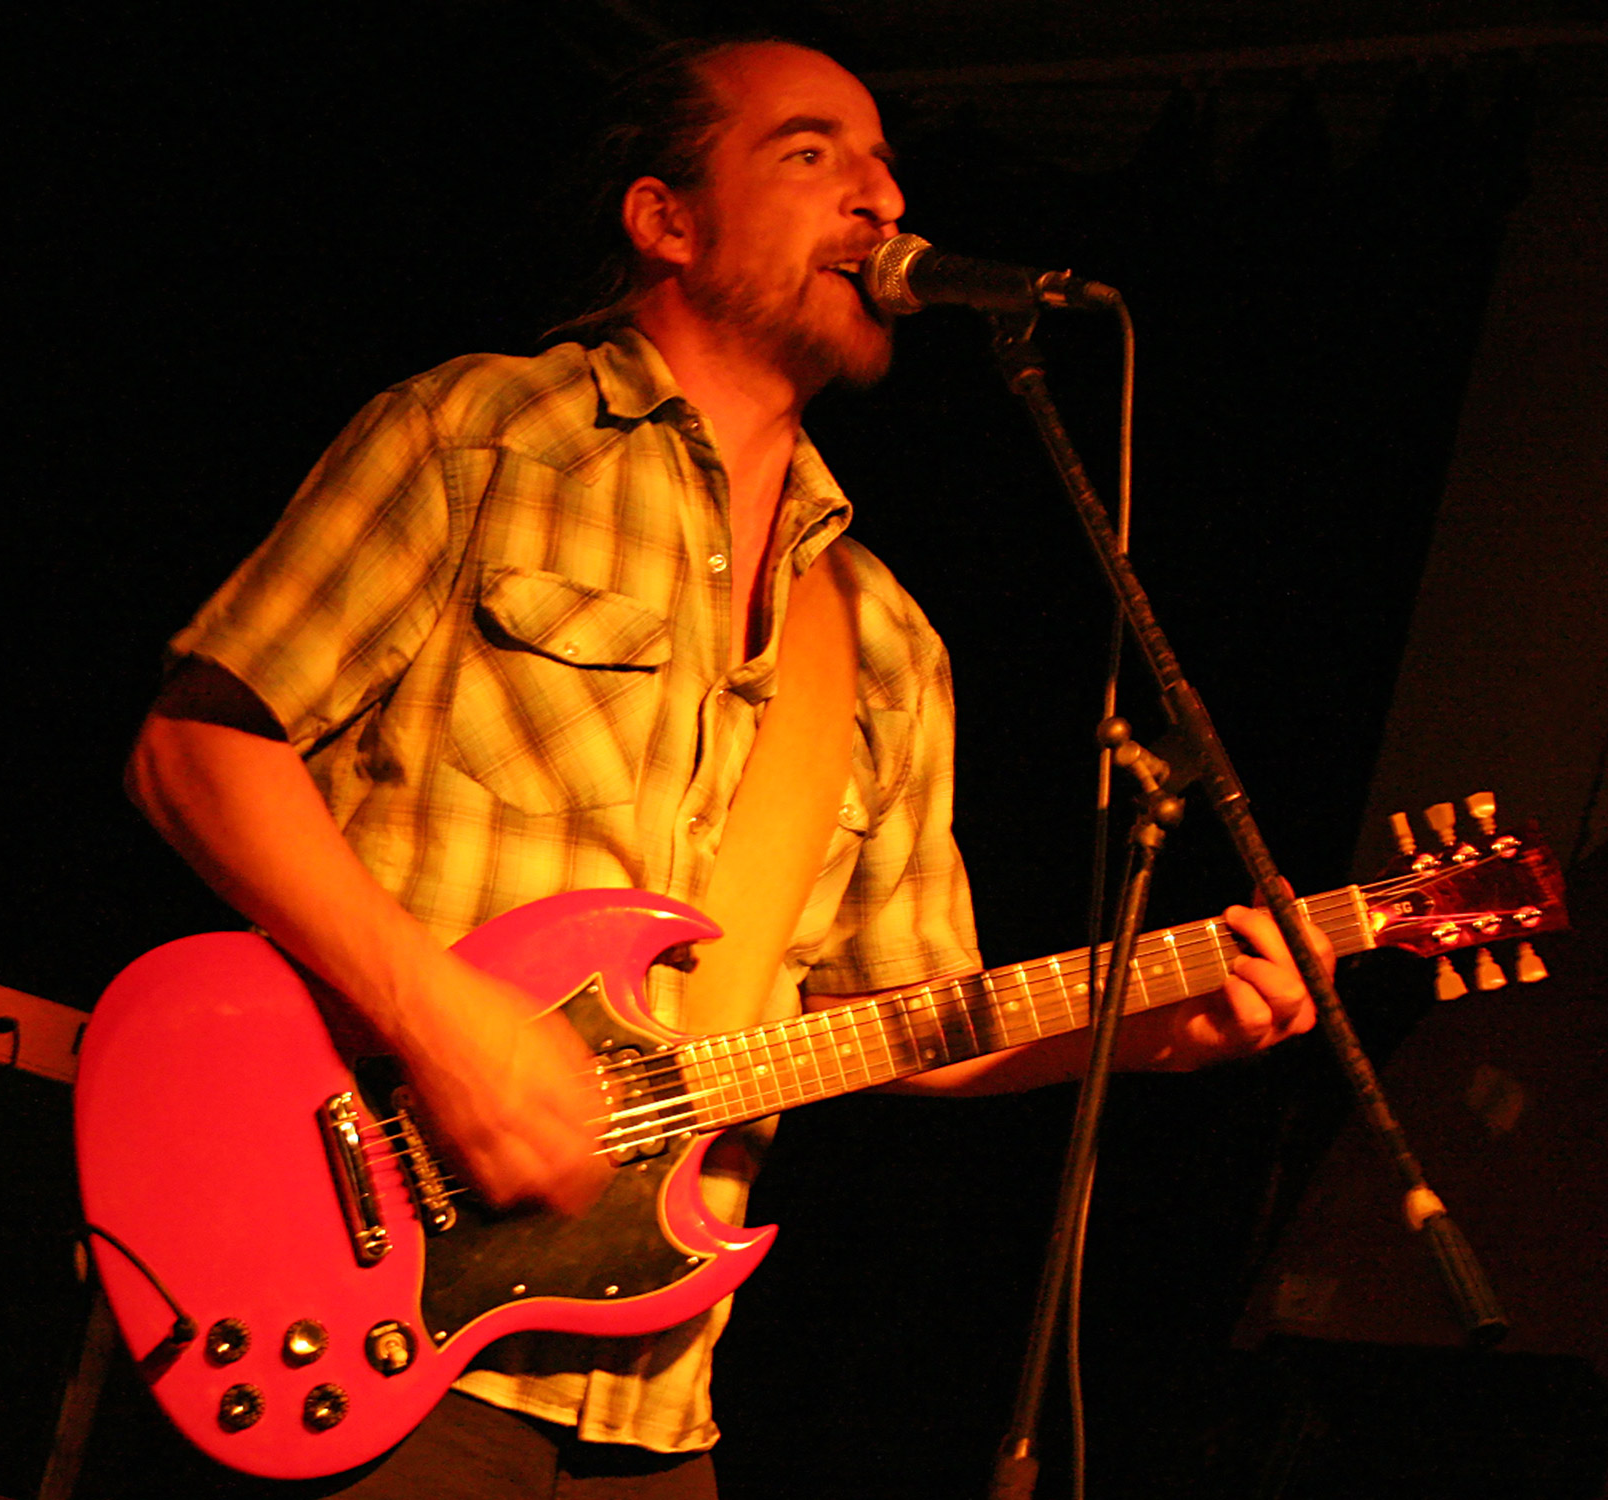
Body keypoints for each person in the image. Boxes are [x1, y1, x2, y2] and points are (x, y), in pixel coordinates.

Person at [123, 35, 1322, 1499]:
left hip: (652, 1404)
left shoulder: (880, 636)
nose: (880, 200)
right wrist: (442, 1021)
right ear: (667, 220)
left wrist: (1144, 1025)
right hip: (352, 1325)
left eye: (884, 163)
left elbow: (899, 1015)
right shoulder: (480, 437)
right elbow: (199, 748)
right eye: (811, 154)